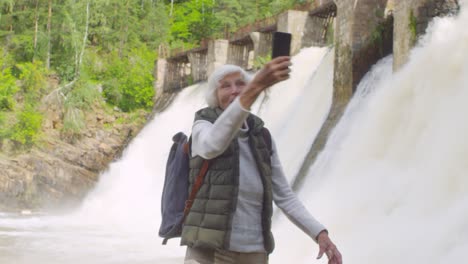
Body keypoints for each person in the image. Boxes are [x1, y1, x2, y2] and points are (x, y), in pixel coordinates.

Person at [181, 56, 342, 264]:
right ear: (215, 95)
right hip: (209, 251)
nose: (234, 90)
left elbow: (284, 195)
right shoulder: (203, 125)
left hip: (255, 251)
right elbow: (213, 146)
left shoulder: (261, 136)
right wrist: (255, 86)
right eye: (225, 86)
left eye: (240, 84)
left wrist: (319, 233)